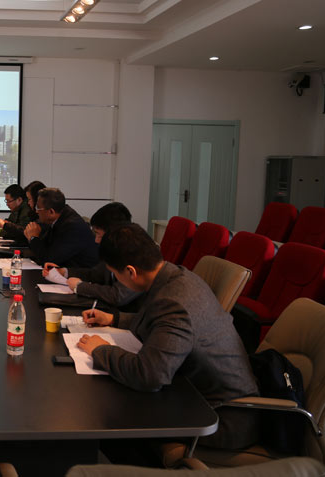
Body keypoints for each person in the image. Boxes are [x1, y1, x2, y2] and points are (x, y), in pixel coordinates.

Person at [76, 223, 259, 449]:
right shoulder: (175, 276)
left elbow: (150, 375)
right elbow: (160, 325)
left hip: (221, 417)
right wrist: (113, 319)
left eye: (115, 274)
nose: (117, 279)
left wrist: (100, 350)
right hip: (193, 392)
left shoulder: (174, 302)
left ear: (131, 272)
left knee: (108, 414)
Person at [42, 202, 140, 307]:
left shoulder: (134, 256)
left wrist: (80, 287)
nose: (96, 240)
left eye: (98, 235)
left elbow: (118, 295)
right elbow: (94, 274)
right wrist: (64, 272)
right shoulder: (113, 251)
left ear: (112, 234)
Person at [23, 188, 98, 268]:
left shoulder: (72, 227)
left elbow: (49, 260)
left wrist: (33, 238)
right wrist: (31, 236)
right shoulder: (59, 216)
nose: (36, 211)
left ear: (51, 212)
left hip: (80, 272)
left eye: (38, 208)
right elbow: (45, 246)